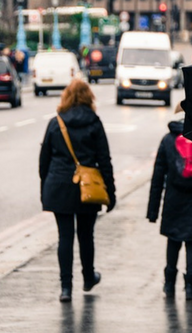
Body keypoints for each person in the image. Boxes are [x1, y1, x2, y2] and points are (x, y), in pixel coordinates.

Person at [39, 79, 116, 303]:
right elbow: (105, 160)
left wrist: (44, 188)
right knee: (86, 235)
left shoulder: (56, 123)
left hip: (59, 186)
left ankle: (65, 287)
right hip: (88, 188)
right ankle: (88, 277)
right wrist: (111, 193)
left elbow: (44, 161)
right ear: (88, 97)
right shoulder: (94, 122)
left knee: (64, 236)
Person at [147, 104, 192, 301]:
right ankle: (190, 287)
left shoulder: (167, 140)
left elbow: (158, 176)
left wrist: (153, 210)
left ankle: (169, 284)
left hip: (174, 199)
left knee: (173, 241)